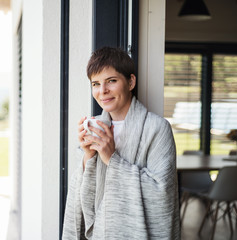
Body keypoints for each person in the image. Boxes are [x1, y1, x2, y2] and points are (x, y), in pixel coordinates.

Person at [62, 47, 180, 239]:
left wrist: (111, 158)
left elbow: (162, 194)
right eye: (95, 84)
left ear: (131, 82)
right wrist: (87, 157)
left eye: (111, 81)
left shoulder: (157, 128)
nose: (102, 91)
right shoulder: (95, 128)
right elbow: (82, 197)